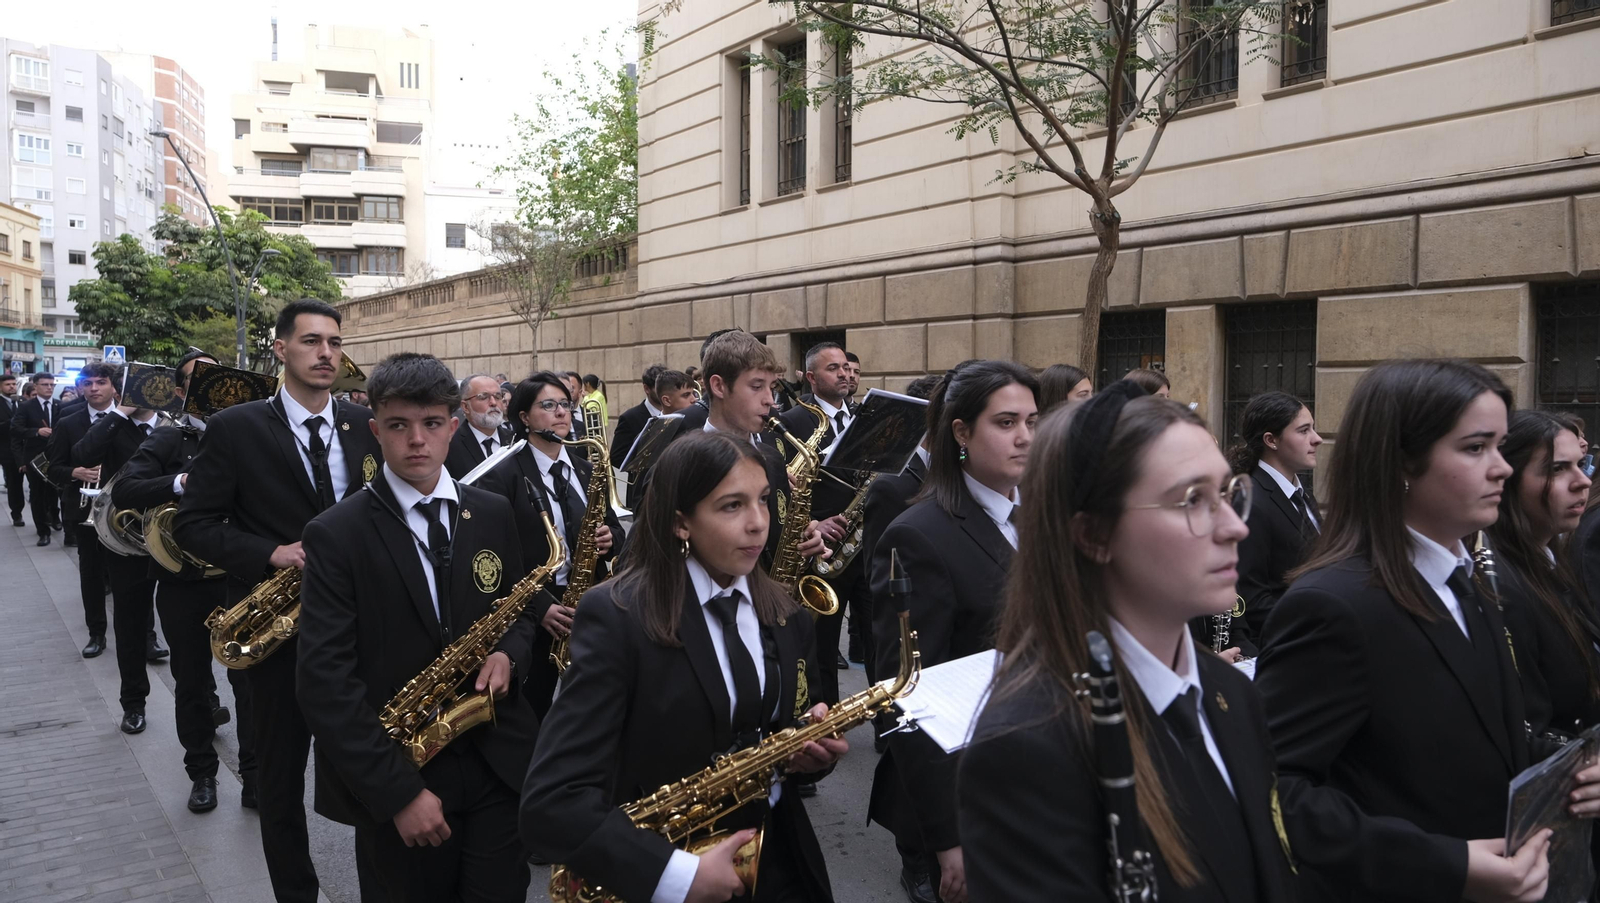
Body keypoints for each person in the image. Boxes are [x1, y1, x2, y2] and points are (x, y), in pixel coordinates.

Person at [1255, 358, 1584, 903]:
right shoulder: (1331, 607)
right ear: (1402, 459)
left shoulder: (1471, 580)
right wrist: (1448, 863)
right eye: (1476, 448)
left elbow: (1474, 728)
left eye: (1501, 447)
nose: (1501, 468)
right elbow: (1276, 794)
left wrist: (1568, 770)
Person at [959, 381, 1298, 902]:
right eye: (1193, 500)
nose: (1235, 527)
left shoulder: (1232, 691)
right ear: (1093, 535)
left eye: (1231, 494)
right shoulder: (1026, 746)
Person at [520, 431, 846, 903]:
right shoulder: (617, 617)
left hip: (779, 861)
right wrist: (674, 876)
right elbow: (552, 802)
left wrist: (806, 753)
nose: (758, 524)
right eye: (731, 506)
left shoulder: (785, 611)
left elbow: (787, 732)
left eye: (763, 501)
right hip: (667, 864)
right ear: (680, 523)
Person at [298, 353, 536, 903]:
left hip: (498, 763)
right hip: (403, 771)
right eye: (399, 426)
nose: (417, 441)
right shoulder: (336, 534)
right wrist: (397, 793)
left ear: (453, 426)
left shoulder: (492, 511)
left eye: (431, 424)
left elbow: (518, 609)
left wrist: (510, 656)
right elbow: (325, 683)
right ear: (375, 430)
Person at [175, 299, 384, 902]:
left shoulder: (359, 422)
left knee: (372, 777)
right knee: (281, 786)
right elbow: (193, 524)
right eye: (312, 341)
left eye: (335, 343)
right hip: (276, 636)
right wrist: (271, 552)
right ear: (280, 349)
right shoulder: (237, 427)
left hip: (361, 631)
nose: (326, 353)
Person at [868, 360, 1039, 903]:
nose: (1025, 438)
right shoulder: (919, 535)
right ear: (961, 432)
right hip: (977, 792)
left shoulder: (1042, 516)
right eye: (1006, 423)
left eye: (1032, 422)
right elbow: (907, 697)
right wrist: (946, 837)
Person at [113, 350, 250, 813]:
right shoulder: (170, 440)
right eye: (197, 379)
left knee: (250, 684)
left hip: (240, 578)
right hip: (183, 580)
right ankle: (203, 775)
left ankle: (253, 775)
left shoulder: (255, 435)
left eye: (217, 377)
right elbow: (126, 489)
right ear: (179, 391)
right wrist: (180, 482)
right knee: (191, 683)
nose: (210, 386)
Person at [476, 372, 620, 718]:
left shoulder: (586, 469)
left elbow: (615, 524)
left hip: (589, 603)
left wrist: (612, 536)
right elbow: (496, 555)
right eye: (549, 406)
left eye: (566, 405)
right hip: (538, 612)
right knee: (534, 710)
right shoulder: (502, 476)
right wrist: (539, 607)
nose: (561, 413)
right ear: (524, 418)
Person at [1489, 411, 1600, 747]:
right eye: (1557, 469)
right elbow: (1525, 729)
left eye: (1581, 464)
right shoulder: (1500, 586)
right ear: (1506, 480)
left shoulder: (1551, 567)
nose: (1583, 481)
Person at [48, 363, 167, 671]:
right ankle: (96, 633)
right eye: (87, 384)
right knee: (91, 575)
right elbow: (54, 466)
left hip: (125, 517)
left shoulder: (130, 422)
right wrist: (73, 472)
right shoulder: (69, 420)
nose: (94, 389)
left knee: (139, 576)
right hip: (85, 511)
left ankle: (148, 637)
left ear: (114, 388)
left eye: (101, 382)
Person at [776, 342, 862, 696]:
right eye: (833, 368)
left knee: (876, 636)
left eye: (846, 367)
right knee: (824, 645)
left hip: (862, 542)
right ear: (811, 378)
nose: (844, 373)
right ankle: (826, 724)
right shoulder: (791, 421)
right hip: (822, 550)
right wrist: (815, 521)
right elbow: (784, 488)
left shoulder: (861, 415)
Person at [1221, 391, 1322, 657]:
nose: (1317, 439)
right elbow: (1252, 599)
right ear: (1271, 440)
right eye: (1303, 431)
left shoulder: (1299, 492)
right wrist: (1321, 621)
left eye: (1313, 428)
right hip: (1285, 647)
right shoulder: (1251, 500)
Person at [12, 371, 60, 546]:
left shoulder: (59, 405)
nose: (49, 388)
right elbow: (16, 429)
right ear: (36, 386)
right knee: (38, 495)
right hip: (35, 458)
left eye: (51, 385)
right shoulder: (26, 407)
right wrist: (36, 432)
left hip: (56, 457)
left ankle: (56, 518)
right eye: (45, 385)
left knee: (55, 490)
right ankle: (43, 532)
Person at [444, 373, 514, 480]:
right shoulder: (449, 447)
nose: (493, 403)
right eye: (483, 397)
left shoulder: (515, 440)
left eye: (498, 396)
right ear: (465, 407)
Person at [610, 363, 667, 469]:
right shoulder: (629, 418)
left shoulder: (676, 412)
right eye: (659, 388)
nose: (665, 392)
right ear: (647, 389)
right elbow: (617, 458)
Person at [0, 372, 25, 527]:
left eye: (14, 384)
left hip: (27, 449)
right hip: (8, 451)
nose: (12, 387)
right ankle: (17, 514)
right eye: (8, 384)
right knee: (14, 484)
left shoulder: (22, 402)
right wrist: (14, 421)